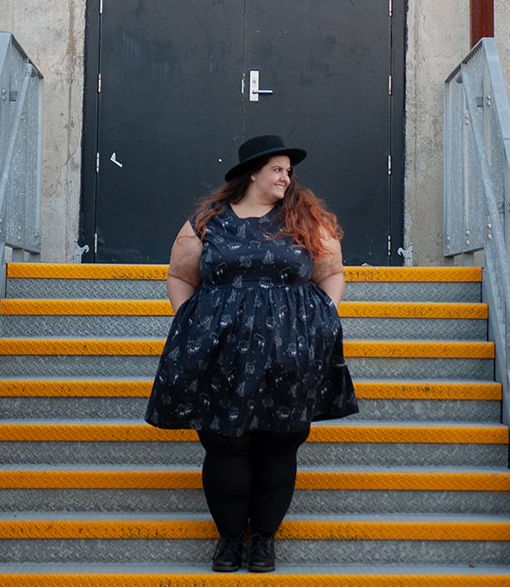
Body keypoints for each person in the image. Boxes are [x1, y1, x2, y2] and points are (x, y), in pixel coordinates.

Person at [145, 134, 358, 573]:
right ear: (253, 173)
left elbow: (332, 273)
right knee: (225, 443)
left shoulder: (303, 218)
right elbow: (179, 275)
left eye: (288, 171)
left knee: (281, 443)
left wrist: (323, 318)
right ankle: (228, 541)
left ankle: (262, 540)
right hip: (219, 353)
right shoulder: (208, 222)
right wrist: (192, 320)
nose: (286, 177)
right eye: (277, 169)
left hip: (291, 352)